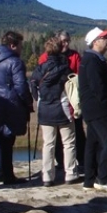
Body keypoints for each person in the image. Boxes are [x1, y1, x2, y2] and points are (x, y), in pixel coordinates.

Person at [0, 31, 33, 185]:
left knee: (0, 138)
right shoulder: (15, 62)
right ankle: (8, 176)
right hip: (11, 105)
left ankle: (0, 172)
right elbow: (21, 87)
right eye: (20, 46)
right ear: (13, 45)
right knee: (8, 139)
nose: (21, 49)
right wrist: (28, 102)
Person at [30, 37, 77, 186]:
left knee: (48, 144)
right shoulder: (65, 68)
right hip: (63, 109)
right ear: (59, 49)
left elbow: (33, 86)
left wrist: (38, 98)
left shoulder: (39, 69)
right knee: (68, 143)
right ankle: (70, 174)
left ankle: (47, 177)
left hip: (44, 109)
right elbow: (72, 89)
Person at [79, 27, 107, 193]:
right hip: (98, 110)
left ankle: (89, 181)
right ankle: (103, 179)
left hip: (93, 110)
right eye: (104, 38)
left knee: (93, 144)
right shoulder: (92, 60)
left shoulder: (93, 58)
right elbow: (98, 87)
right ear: (95, 42)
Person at [38, 30, 85, 169]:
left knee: (78, 131)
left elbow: (80, 75)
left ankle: (81, 159)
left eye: (68, 41)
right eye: (63, 41)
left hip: (72, 100)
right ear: (57, 41)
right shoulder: (45, 57)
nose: (66, 44)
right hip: (53, 101)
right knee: (54, 136)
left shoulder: (74, 55)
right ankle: (60, 162)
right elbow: (40, 79)